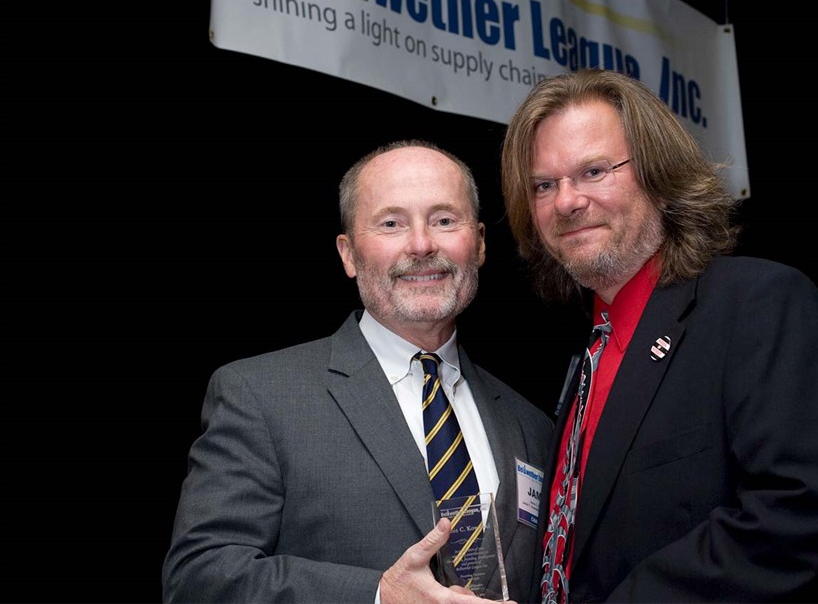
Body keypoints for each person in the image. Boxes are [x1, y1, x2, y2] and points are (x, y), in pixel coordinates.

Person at [500, 70, 818, 602]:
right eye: (544, 185)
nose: (566, 202)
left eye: (594, 171)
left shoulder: (758, 304)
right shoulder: (588, 355)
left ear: (657, 174)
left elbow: (806, 509)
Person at [163, 140, 552, 603]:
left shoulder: (532, 426)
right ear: (348, 254)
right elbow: (199, 579)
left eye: (445, 220)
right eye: (391, 223)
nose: (423, 244)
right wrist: (378, 595)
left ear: (481, 244)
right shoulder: (260, 395)